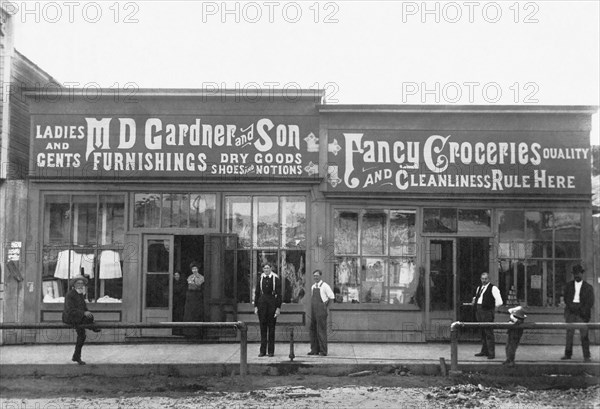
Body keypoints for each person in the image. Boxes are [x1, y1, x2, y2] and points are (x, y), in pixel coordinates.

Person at [62, 275, 100, 365]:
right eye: (78, 283)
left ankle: (76, 356)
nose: (80, 285)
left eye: (82, 283)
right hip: (70, 317)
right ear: (74, 285)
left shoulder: (80, 294)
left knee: (82, 335)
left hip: (78, 317)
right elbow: (70, 310)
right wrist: (83, 313)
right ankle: (93, 327)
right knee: (83, 331)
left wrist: (87, 312)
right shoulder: (70, 294)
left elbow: (84, 307)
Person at [561, 264, 594, 362]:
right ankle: (568, 354)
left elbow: (590, 302)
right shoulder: (568, 286)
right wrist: (572, 308)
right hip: (571, 312)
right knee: (569, 334)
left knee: (584, 335)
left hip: (582, 314)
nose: (577, 276)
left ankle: (586, 356)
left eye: (578, 273)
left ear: (582, 274)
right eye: (575, 274)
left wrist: (581, 310)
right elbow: (566, 299)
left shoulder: (588, 287)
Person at [472, 272, 503, 359]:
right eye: (482, 279)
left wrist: (490, 308)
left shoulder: (493, 288)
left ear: (489, 279)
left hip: (487, 312)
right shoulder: (479, 288)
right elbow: (477, 297)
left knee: (488, 333)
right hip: (479, 311)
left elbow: (500, 302)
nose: (484, 280)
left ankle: (491, 353)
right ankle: (484, 351)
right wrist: (474, 300)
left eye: (485, 279)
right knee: (482, 332)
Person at [254, 263, 281, 357]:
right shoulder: (260, 279)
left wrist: (278, 308)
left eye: (268, 268)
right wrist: (256, 306)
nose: (266, 269)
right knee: (262, 328)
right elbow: (257, 293)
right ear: (263, 269)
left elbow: (279, 295)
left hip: (272, 305)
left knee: (271, 329)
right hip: (262, 306)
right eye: (264, 268)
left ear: (271, 269)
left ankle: (271, 351)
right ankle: (262, 351)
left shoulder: (275, 279)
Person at [308, 270, 335, 357]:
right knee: (313, 330)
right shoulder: (313, 287)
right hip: (314, 310)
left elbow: (332, 297)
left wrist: (325, 307)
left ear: (320, 276)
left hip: (321, 311)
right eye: (314, 276)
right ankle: (314, 350)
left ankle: (323, 351)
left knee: (321, 330)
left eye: (317, 276)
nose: (315, 277)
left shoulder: (325, 286)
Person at [182, 262, 205, 338]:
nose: (194, 270)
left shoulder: (201, 277)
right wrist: (193, 283)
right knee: (189, 314)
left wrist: (194, 282)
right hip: (190, 297)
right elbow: (189, 285)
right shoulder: (189, 277)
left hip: (197, 297)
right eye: (193, 269)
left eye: (195, 268)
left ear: (198, 269)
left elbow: (198, 285)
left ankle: (197, 333)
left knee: (197, 313)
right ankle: (188, 333)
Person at [172, 271, 187, 335]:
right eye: (175, 275)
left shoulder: (182, 284)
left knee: (180, 316)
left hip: (180, 302)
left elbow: (181, 292)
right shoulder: (171, 283)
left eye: (177, 275)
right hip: (173, 303)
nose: (176, 277)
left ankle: (179, 331)